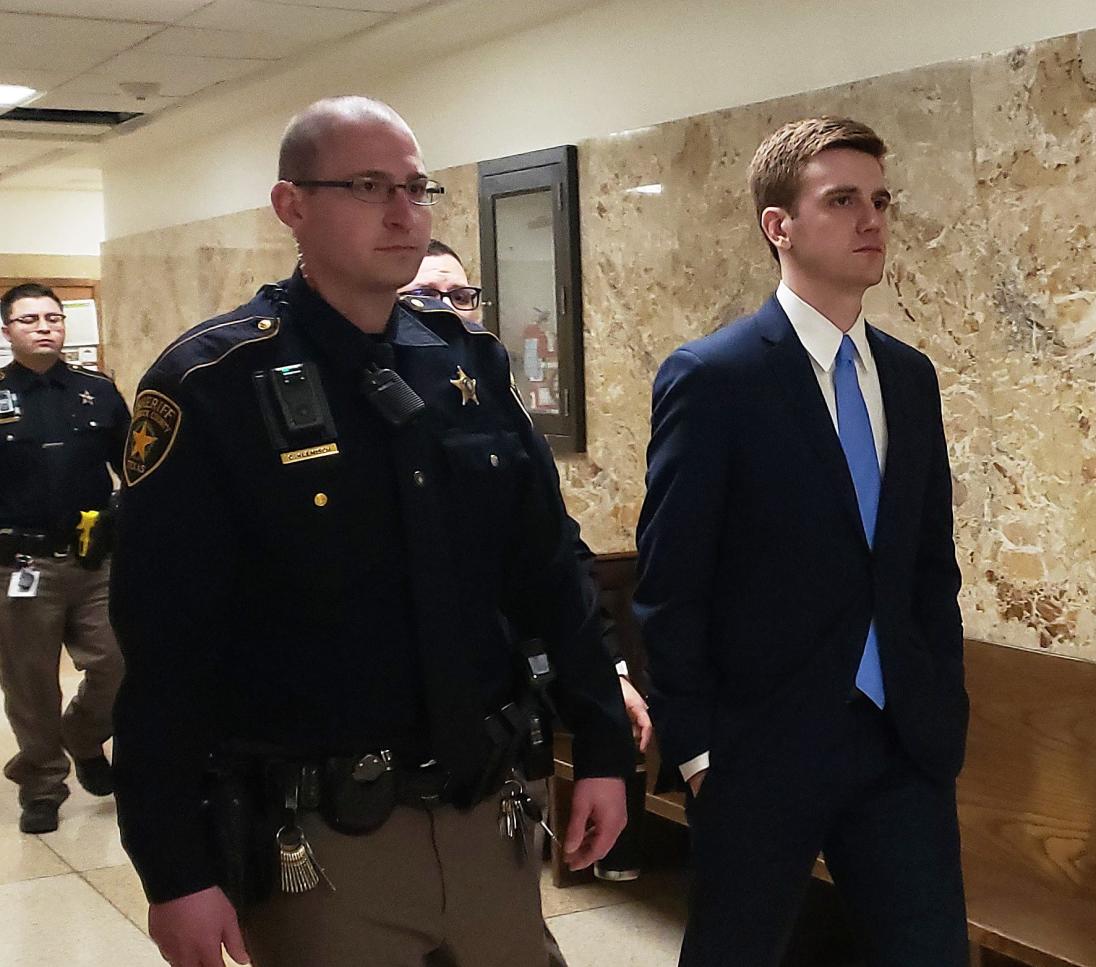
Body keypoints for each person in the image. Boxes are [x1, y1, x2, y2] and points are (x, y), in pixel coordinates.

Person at [110, 96, 631, 967]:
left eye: (416, 187)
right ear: (293, 207)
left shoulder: (465, 360)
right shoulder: (213, 385)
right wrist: (173, 870)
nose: (404, 212)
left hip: (489, 815)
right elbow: (166, 656)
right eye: (366, 186)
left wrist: (605, 744)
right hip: (322, 839)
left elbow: (548, 573)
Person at [634, 116, 971, 966]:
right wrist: (700, 750)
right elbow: (672, 582)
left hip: (899, 741)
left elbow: (929, 562)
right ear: (778, 226)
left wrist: (941, 705)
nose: (873, 221)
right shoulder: (716, 378)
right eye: (844, 200)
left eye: (881, 200)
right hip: (760, 749)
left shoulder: (909, 375)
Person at [404, 241, 653, 967]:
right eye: (425, 294)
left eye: (459, 295)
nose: (445, 311)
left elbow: (559, 560)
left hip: (502, 725)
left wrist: (606, 674)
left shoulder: (492, 408)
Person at [0, 283, 128, 835]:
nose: (45, 327)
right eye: (29, 319)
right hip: (20, 564)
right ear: (7, 330)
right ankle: (43, 783)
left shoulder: (97, 392)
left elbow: (135, 465)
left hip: (95, 559)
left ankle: (81, 735)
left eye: (54, 317)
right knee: (30, 684)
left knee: (118, 665)